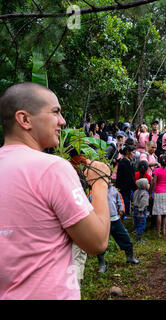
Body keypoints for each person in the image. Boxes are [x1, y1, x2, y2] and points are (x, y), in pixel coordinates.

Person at [0, 82, 111, 299]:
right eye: (55, 112)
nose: (63, 121)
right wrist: (99, 183)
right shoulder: (51, 168)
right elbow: (97, 242)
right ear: (24, 119)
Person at [89, 184, 140, 273]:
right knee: (101, 243)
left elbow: (120, 201)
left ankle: (130, 257)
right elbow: (88, 204)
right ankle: (102, 264)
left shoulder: (114, 190)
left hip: (115, 220)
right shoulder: (94, 191)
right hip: (102, 221)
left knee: (125, 237)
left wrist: (121, 210)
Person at [151, 155, 166, 237]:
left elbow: (154, 182)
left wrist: (150, 192)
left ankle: (158, 232)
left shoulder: (156, 171)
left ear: (159, 162)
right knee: (165, 212)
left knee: (158, 212)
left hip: (158, 191)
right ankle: (164, 229)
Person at [116, 144, 137, 219]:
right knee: (123, 206)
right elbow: (129, 178)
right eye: (133, 152)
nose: (134, 154)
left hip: (125, 188)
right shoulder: (125, 163)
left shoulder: (126, 162)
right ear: (128, 152)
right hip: (124, 188)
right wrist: (135, 188)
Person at [132, 178, 150, 243]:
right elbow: (143, 202)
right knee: (141, 224)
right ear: (144, 185)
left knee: (136, 222)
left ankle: (137, 236)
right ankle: (138, 239)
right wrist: (141, 209)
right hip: (141, 211)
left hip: (135, 209)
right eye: (147, 183)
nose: (148, 184)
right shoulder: (145, 193)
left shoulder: (136, 191)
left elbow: (133, 199)